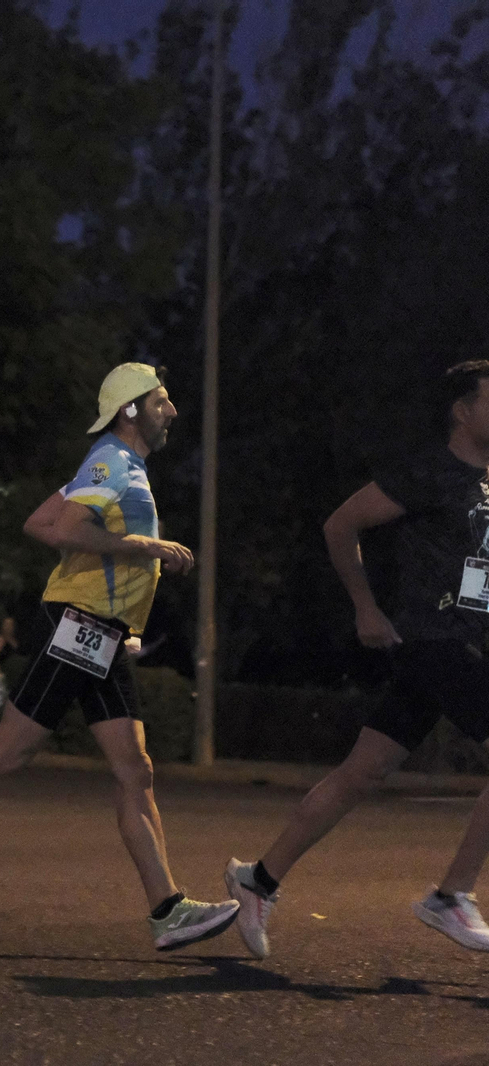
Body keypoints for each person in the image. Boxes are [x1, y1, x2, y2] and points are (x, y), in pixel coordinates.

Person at [0, 362, 240, 951]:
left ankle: (169, 909)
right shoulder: (112, 460)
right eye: (163, 401)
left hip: (100, 630)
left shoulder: (117, 464)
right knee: (8, 754)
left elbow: (37, 520)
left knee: (134, 769)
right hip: (81, 624)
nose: (173, 411)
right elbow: (61, 530)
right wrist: (147, 546)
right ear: (132, 409)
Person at [226, 361, 489, 958]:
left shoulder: (487, 483)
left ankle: (256, 880)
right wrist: (364, 608)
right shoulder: (426, 470)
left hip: (467, 641)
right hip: (434, 639)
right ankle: (451, 897)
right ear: (464, 410)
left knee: (360, 774)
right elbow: (341, 524)